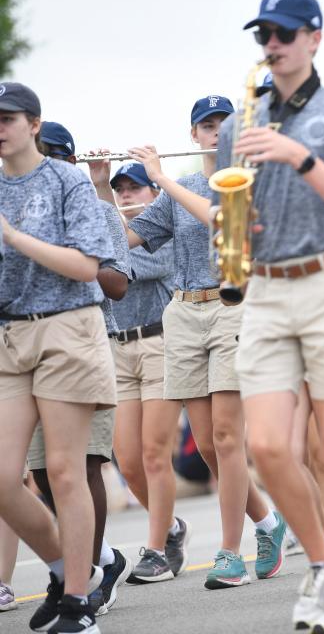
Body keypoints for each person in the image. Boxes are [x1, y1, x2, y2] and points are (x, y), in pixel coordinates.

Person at [223, 0, 324, 630]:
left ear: (314, 38)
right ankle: (321, 562)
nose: (274, 43)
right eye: (265, 33)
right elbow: (228, 206)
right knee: (264, 445)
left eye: (285, 32)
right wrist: (235, 222)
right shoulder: (246, 118)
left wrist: (300, 158)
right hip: (265, 284)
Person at [125, 95, 285, 590]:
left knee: (226, 438)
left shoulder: (248, 180)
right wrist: (92, 180)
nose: (215, 131)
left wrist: (160, 181)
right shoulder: (178, 188)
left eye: (224, 124)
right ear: (194, 135)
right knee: (213, 449)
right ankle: (268, 522)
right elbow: (125, 239)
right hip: (184, 311)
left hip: (234, 307)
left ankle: (228, 553)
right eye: (206, 125)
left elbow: (220, 215)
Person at [0, 82, 112, 633]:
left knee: (64, 472)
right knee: (2, 476)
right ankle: (67, 570)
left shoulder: (66, 179)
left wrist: (12, 236)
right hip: (9, 337)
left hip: (68, 329)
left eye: (7, 117)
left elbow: (88, 267)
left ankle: (76, 604)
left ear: (34, 124)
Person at [31, 120, 135, 617]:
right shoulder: (19, 207)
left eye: (52, 154)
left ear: (70, 163)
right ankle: (96, 563)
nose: (43, 162)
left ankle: (83, 584)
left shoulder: (96, 210)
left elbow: (118, 285)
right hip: (29, 347)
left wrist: (71, 256)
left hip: (90, 340)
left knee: (85, 465)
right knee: (39, 472)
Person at [101, 161, 190, 582]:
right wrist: (99, 184)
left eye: (135, 188)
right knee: (129, 463)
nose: (126, 195)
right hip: (119, 349)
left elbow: (117, 268)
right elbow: (107, 245)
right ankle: (171, 527)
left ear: (154, 194)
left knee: (155, 455)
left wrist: (101, 203)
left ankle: (156, 550)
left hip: (159, 344)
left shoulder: (164, 233)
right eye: (119, 189)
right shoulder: (120, 227)